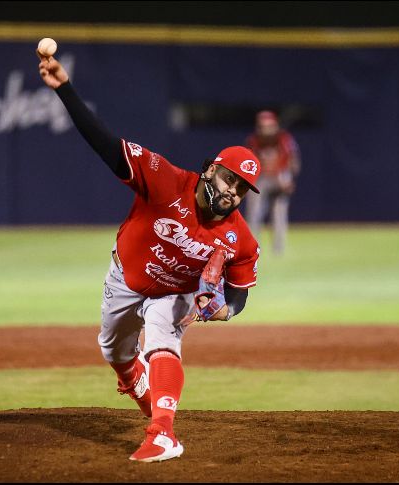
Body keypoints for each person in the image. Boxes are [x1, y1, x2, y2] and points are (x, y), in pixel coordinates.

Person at [38, 50, 261, 462]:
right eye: (231, 178)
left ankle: (162, 434)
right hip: (126, 275)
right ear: (212, 170)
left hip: (175, 293)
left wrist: (221, 310)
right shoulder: (164, 179)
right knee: (115, 352)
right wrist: (66, 90)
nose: (234, 190)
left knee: (162, 330)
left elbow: (239, 294)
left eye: (243, 188)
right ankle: (144, 395)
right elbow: (106, 146)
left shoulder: (240, 239)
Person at [244, 110, 301, 255]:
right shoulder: (253, 140)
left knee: (279, 212)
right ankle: (252, 248)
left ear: (275, 125)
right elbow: (249, 163)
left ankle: (278, 249)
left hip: (280, 178)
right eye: (264, 126)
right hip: (261, 178)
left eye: (270, 125)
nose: (267, 129)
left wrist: (289, 179)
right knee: (254, 213)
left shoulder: (284, 139)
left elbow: (293, 160)